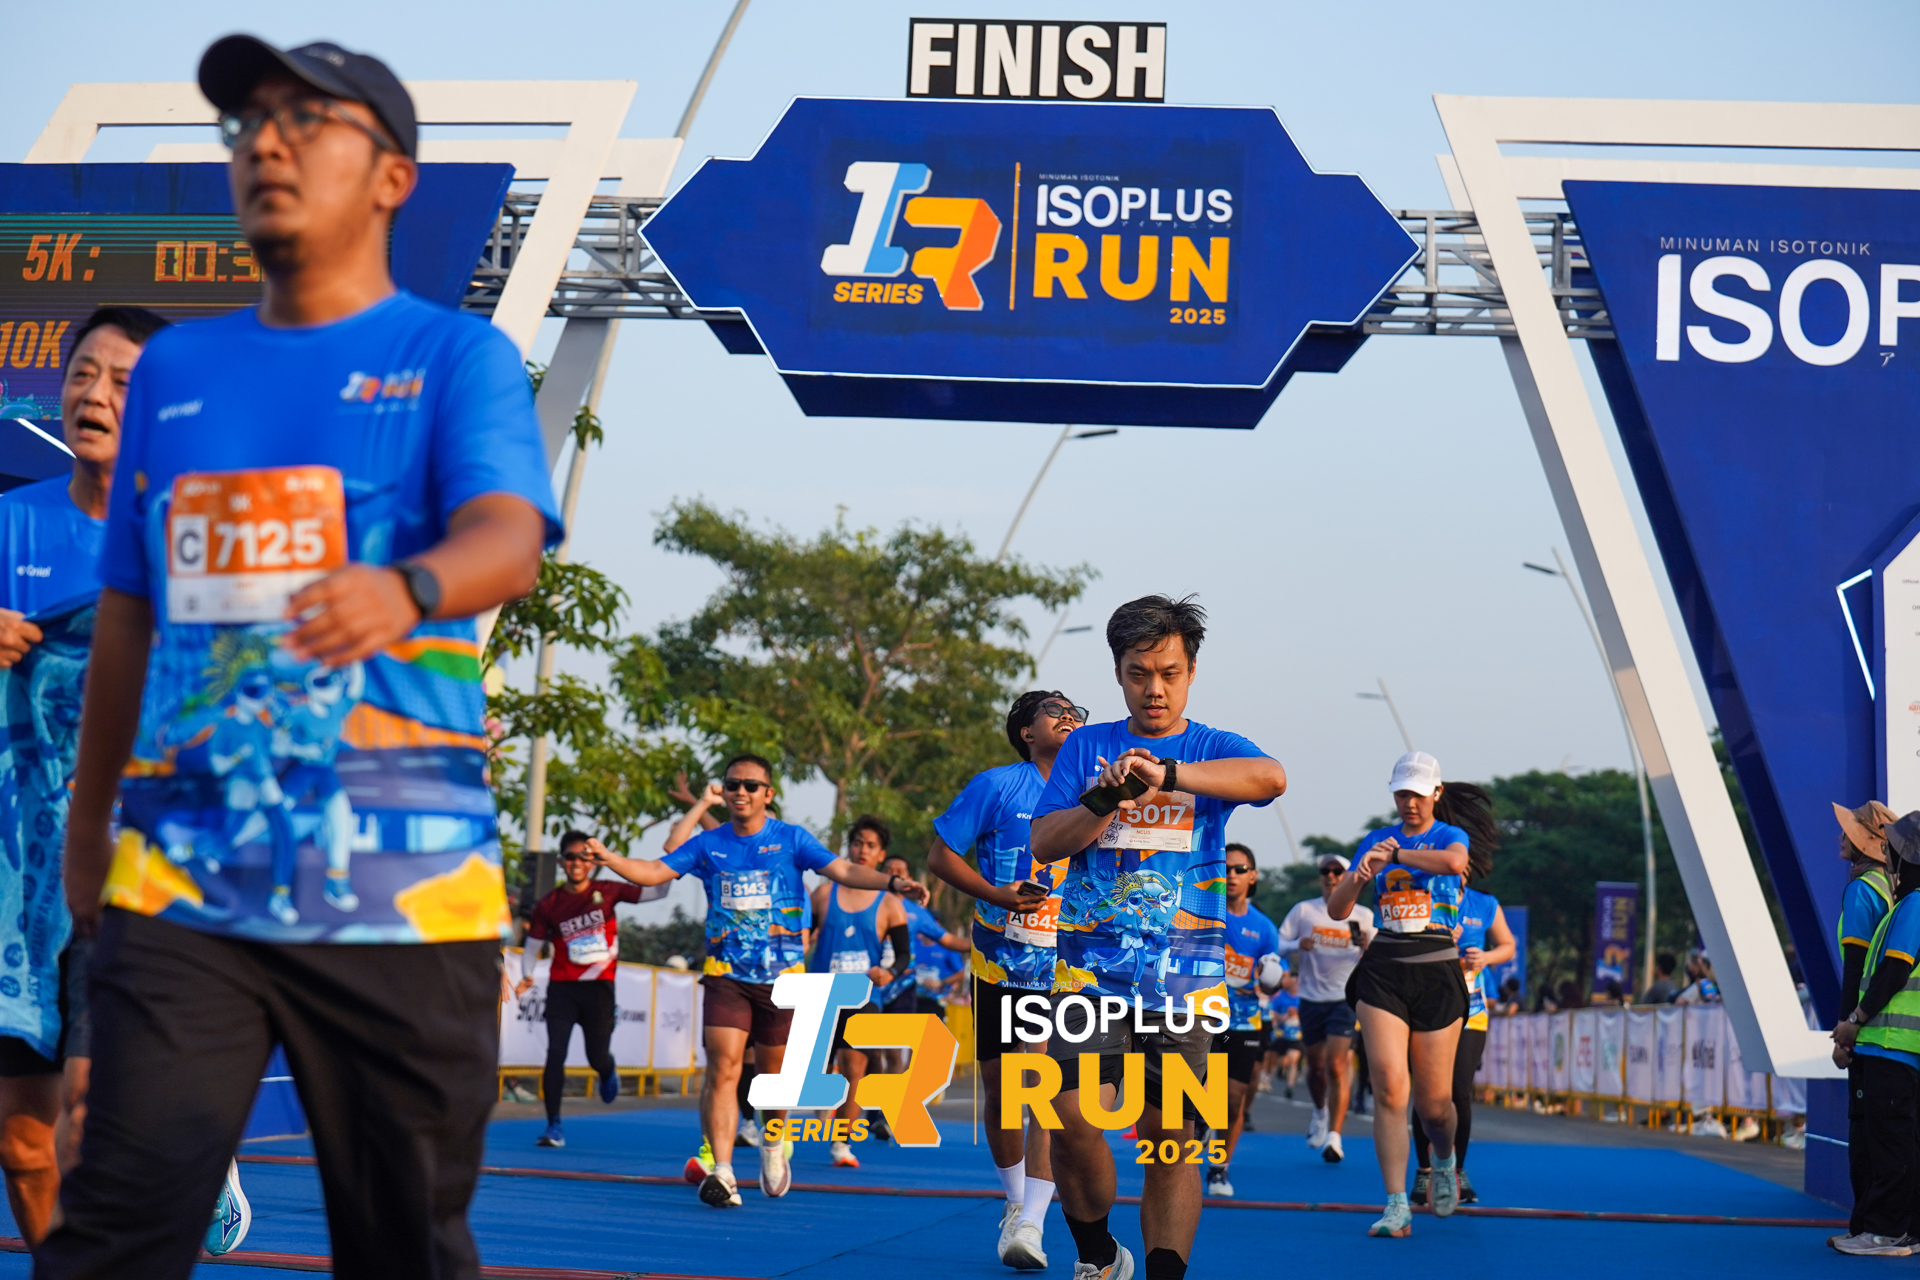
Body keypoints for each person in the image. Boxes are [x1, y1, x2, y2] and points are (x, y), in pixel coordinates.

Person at [45, 36, 562, 1279]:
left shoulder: (457, 357)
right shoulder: (177, 368)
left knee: (404, 1249)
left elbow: (510, 538)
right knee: (113, 1232)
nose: (265, 144)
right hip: (182, 879)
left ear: (393, 177)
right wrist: (89, 823)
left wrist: (407, 584)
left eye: (306, 120)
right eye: (247, 125)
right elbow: (130, 615)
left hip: (403, 890)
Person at [1030, 595, 1287, 1280]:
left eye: (1169, 673)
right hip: (1089, 975)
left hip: (1185, 981)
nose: (1155, 689)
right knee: (1068, 1117)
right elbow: (1045, 843)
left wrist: (1166, 775)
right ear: (1118, 673)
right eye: (1139, 673)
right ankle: (1098, 1255)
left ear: (1191, 672)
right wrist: (1103, 800)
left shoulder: (1211, 748)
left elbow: (1271, 778)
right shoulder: (1086, 747)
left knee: (1170, 1137)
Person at [0, 307, 168, 1251]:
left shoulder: (191, 540)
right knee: (23, 1146)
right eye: (80, 374)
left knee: (93, 1115)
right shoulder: (10, 522)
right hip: (18, 883)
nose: (93, 395)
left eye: (122, 381)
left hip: (138, 877)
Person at [592, 754, 928, 1210]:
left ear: (768, 794)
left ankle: (772, 1143)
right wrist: (610, 858)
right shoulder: (709, 844)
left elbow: (845, 870)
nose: (741, 792)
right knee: (724, 1066)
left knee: (773, 1079)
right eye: (733, 784)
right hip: (725, 975)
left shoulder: (791, 839)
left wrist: (893, 884)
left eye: (751, 785)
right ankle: (723, 1171)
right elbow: (654, 871)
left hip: (781, 979)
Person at [926, 688, 1084, 1272]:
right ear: (1026, 732)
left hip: (1065, 968)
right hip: (999, 963)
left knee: (1037, 1084)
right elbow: (940, 857)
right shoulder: (996, 786)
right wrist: (995, 894)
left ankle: (1034, 1221)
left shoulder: (1094, 790)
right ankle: (1016, 1201)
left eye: (1075, 712)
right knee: (1000, 1092)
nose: (1069, 718)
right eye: (1055, 711)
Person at [1326, 751, 1482, 1237]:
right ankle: (1396, 1205)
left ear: (1436, 793)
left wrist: (1395, 857)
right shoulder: (1376, 839)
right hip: (1385, 966)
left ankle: (1444, 1159)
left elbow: (1455, 862)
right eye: (1401, 793)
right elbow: (1337, 910)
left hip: (1436, 965)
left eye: (1417, 793)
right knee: (1391, 1088)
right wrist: (1360, 874)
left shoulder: (1448, 835)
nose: (1409, 802)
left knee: (1434, 1104)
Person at [515, 830, 647, 1147]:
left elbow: (656, 889)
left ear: (593, 862)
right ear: (561, 862)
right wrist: (526, 974)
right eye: (570, 857)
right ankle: (553, 1125)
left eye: (583, 857)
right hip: (563, 987)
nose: (576, 863)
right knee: (555, 1053)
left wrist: (675, 857)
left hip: (599, 988)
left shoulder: (608, 890)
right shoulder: (549, 904)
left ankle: (607, 1070)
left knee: (595, 1056)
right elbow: (532, 946)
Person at [1831, 811, 1920, 1255]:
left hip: (1890, 1044)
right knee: (1898, 1144)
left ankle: (1884, 1231)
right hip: (1894, 1045)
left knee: (1886, 1145)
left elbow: (1891, 971)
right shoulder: (1897, 899)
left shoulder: (1910, 902)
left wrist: (1852, 1021)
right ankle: (1899, 1230)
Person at [809, 817, 916, 1169]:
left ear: (881, 854)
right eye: (857, 843)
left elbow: (903, 955)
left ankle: (841, 1142)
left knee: (855, 1066)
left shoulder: (890, 904)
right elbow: (801, 936)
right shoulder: (823, 894)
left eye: (870, 845)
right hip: (821, 994)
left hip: (863, 997)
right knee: (817, 1071)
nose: (862, 850)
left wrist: (890, 972)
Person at [1410, 857, 1513, 1207]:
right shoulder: (1420, 897)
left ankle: (1456, 1171)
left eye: (1461, 867)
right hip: (1428, 1007)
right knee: (1426, 1090)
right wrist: (1436, 941)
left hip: (1472, 1010)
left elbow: (1507, 945)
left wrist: (1485, 958)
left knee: (1459, 1091)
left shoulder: (1484, 904)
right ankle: (1424, 1171)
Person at [1276, 854, 1374, 1164]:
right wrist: (1297, 945)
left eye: (1337, 871)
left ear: (1348, 876)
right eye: (1325, 871)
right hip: (1310, 998)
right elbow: (1277, 943)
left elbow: (1379, 956)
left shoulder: (1363, 915)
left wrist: (1368, 947)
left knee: (1336, 1065)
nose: (1331, 876)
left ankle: (1335, 1136)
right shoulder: (1304, 910)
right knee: (1316, 1068)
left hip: (1344, 998)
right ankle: (1320, 1112)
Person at [1206, 842, 1285, 1199]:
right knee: (1192, 1091)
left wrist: (1272, 978)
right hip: (1199, 1016)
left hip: (1243, 1021)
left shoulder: (1264, 928)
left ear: (1252, 876)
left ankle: (1219, 1167)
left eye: (1239, 870)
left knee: (1233, 1100)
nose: (1232, 875)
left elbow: (1272, 981)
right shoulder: (1204, 911)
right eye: (1226, 869)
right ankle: (1188, 1146)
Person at [1836, 801, 1899, 1023]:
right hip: (1882, 1009)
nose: (1841, 837)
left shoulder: (1861, 889)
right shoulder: (1891, 885)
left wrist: (1846, 1021)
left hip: (1864, 1015)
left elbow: (1855, 965)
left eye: (1848, 832)